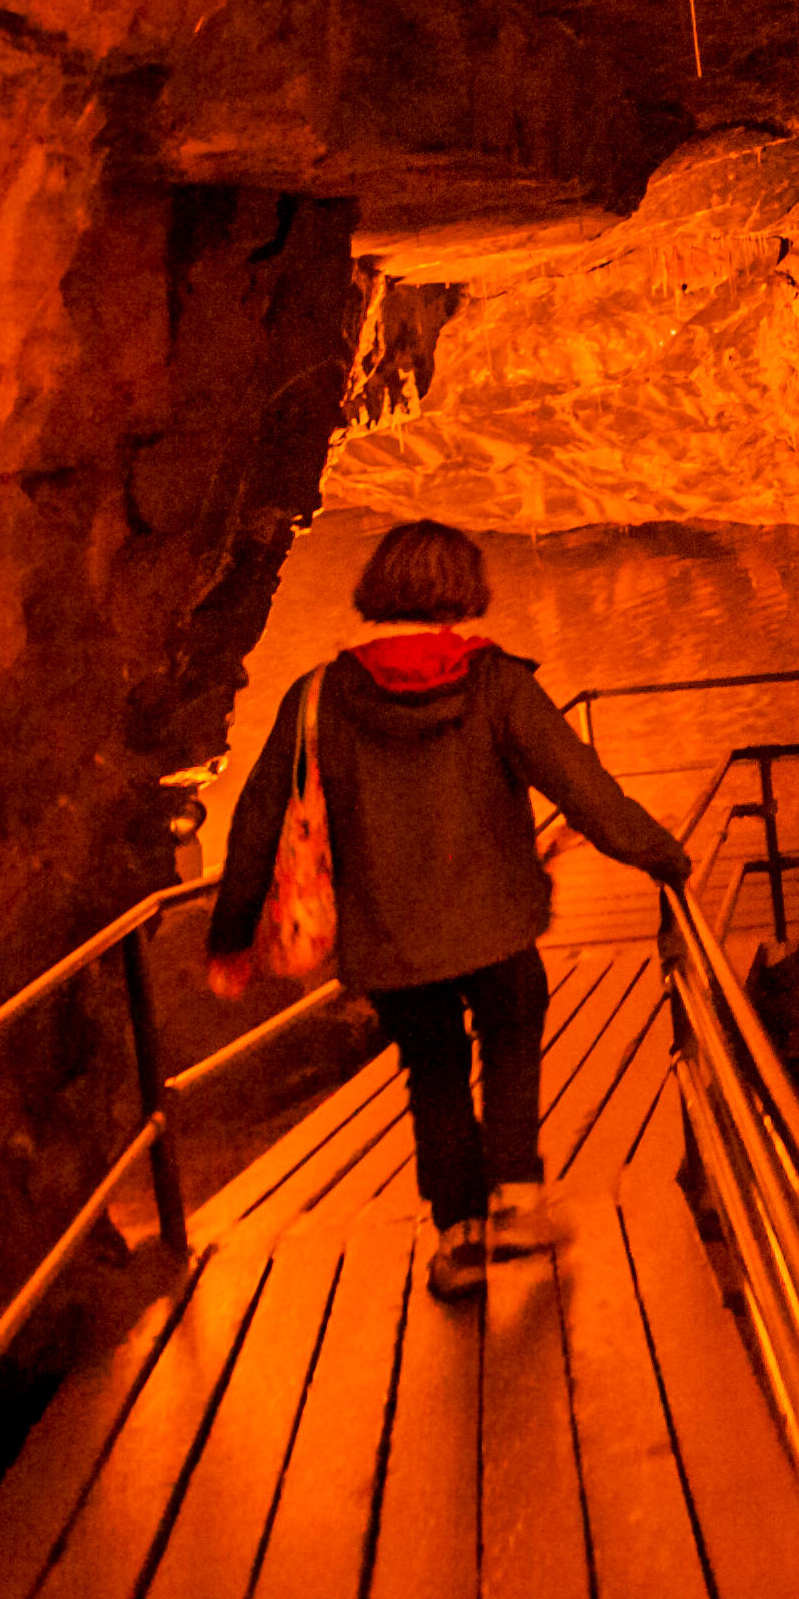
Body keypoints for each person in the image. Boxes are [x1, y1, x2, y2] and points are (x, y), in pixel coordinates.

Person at [207, 519, 696, 1300]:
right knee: (509, 1051)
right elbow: (582, 787)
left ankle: (459, 1238)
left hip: (392, 944)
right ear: (464, 589)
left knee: (433, 1076)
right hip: (498, 925)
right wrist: (660, 856)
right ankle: (517, 1204)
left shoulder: (320, 697)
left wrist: (231, 937)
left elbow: (258, 819)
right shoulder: (496, 683)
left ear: (379, 587)